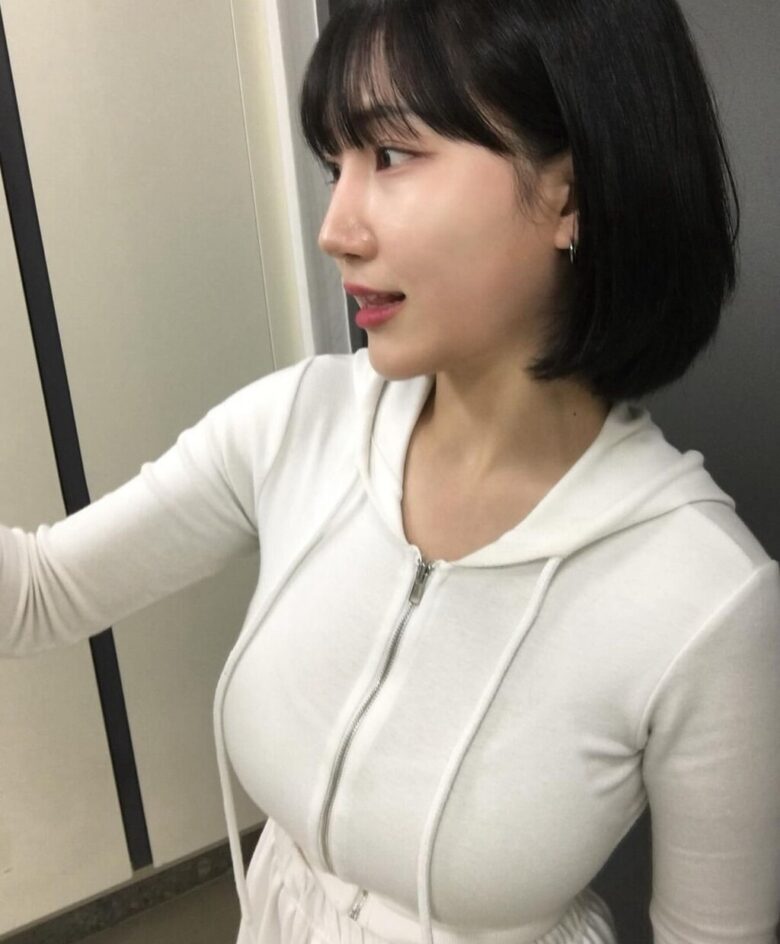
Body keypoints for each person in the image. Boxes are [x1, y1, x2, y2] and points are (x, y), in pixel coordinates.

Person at [2, 0, 779, 941]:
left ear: (569, 196)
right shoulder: (296, 425)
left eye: (392, 154)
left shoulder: (705, 599)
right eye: (337, 166)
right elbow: (37, 593)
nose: (336, 228)